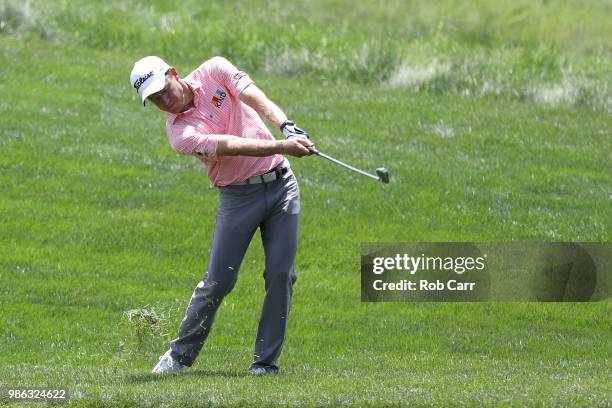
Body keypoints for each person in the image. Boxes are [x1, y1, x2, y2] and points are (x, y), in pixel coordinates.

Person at [129, 55, 314, 375]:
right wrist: (284, 146)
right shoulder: (181, 134)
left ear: (173, 73)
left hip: (283, 185)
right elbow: (232, 145)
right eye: (155, 100)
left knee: (282, 275)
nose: (165, 101)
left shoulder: (215, 69)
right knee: (219, 281)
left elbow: (251, 94)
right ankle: (179, 355)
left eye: (164, 90)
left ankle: (265, 363)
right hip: (238, 196)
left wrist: (285, 124)